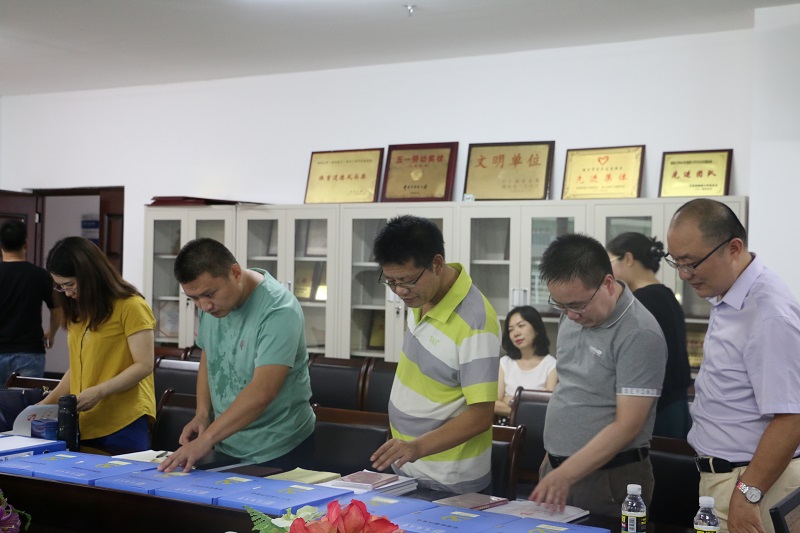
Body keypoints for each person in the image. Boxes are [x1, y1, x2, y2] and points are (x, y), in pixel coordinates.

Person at [666, 198, 800, 533]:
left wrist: (748, 493)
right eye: (676, 263)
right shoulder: (730, 295)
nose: (684, 275)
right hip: (731, 480)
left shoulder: (767, 313)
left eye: (691, 263)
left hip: (755, 485)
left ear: (734, 248)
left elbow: (792, 417)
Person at [530, 233, 666, 517]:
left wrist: (566, 472)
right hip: (558, 469)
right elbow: (571, 389)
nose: (570, 315)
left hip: (608, 478)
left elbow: (628, 425)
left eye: (577, 305)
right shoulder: (573, 312)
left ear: (608, 283)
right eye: (561, 305)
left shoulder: (639, 333)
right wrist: (554, 459)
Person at [158, 238, 315, 473]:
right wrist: (202, 414)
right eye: (194, 298)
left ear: (235, 272)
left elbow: (263, 391)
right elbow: (210, 357)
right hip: (226, 439)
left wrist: (206, 440)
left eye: (209, 294)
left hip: (277, 445)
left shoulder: (279, 310)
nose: (204, 306)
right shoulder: (213, 305)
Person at [369, 215, 500, 494]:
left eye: (407, 281)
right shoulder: (421, 296)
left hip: (450, 481)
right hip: (408, 468)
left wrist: (417, 447)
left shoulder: (476, 321)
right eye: (390, 281)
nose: (399, 291)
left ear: (437, 264)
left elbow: (480, 415)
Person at [41, 237, 155, 452]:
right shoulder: (78, 310)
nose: (67, 293)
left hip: (123, 421)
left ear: (90, 274)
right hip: (85, 421)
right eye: (61, 287)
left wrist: (99, 392)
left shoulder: (131, 306)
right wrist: (43, 406)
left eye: (70, 284)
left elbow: (144, 365)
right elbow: (78, 369)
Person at [606, 232, 692, 439]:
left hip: (656, 408)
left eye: (610, 262)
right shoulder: (666, 295)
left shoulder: (640, 302)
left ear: (628, 258)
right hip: (675, 405)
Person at [0, 219, 61, 385]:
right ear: (26, 243)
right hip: (30, 351)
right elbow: (57, 309)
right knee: (28, 400)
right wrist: (51, 332)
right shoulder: (40, 275)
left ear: (1, 245)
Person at [495, 306, 557, 419]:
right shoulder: (505, 363)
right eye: (510, 329)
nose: (516, 333)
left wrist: (511, 401)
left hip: (538, 427)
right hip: (507, 427)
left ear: (536, 328)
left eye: (521, 326)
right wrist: (526, 409)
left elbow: (547, 406)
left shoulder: (551, 365)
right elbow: (494, 404)